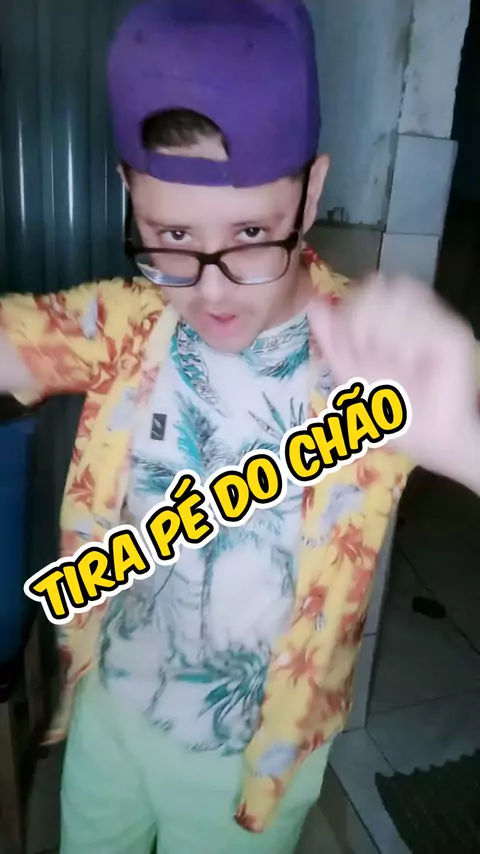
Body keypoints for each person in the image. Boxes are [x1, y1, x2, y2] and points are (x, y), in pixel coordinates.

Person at [0, 1, 479, 852]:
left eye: (252, 233)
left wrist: (467, 438)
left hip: (252, 766)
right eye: (172, 236)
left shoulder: (372, 362)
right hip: (110, 716)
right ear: (130, 197)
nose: (211, 288)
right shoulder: (127, 321)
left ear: (312, 192)